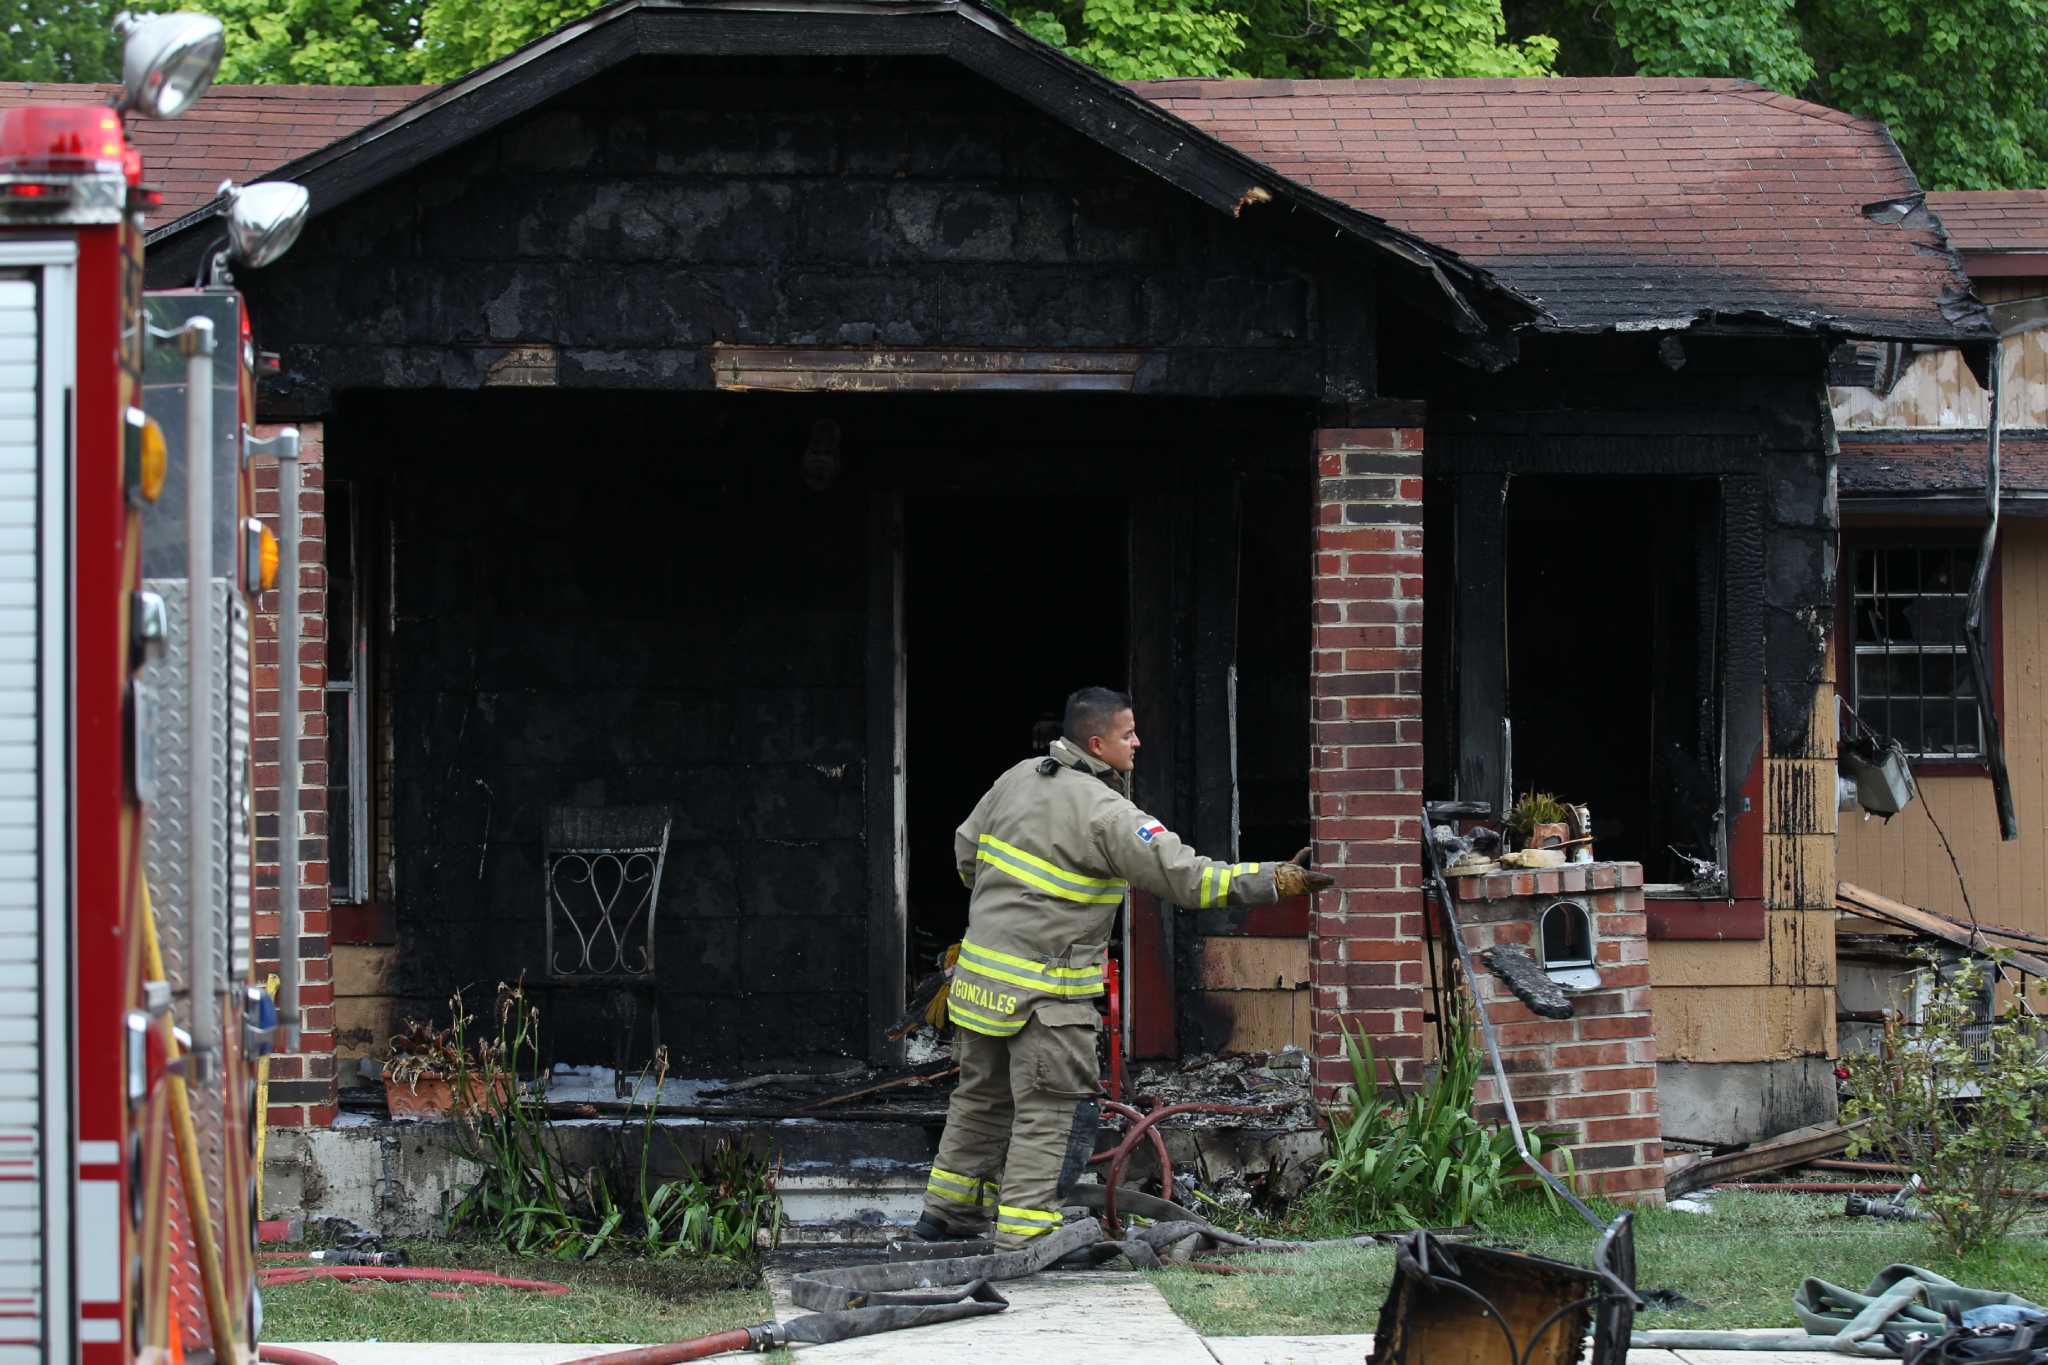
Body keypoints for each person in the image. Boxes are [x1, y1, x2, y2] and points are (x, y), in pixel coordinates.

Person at [914, 685, 1332, 1247]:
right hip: (1047, 999)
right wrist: (1273, 881)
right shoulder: (1107, 812)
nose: (1138, 742)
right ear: (1096, 742)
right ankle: (1027, 1238)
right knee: (1048, 1112)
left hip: (980, 988)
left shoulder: (1014, 778)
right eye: (1128, 733)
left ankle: (945, 1218)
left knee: (979, 1103)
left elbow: (968, 855)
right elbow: (1187, 878)